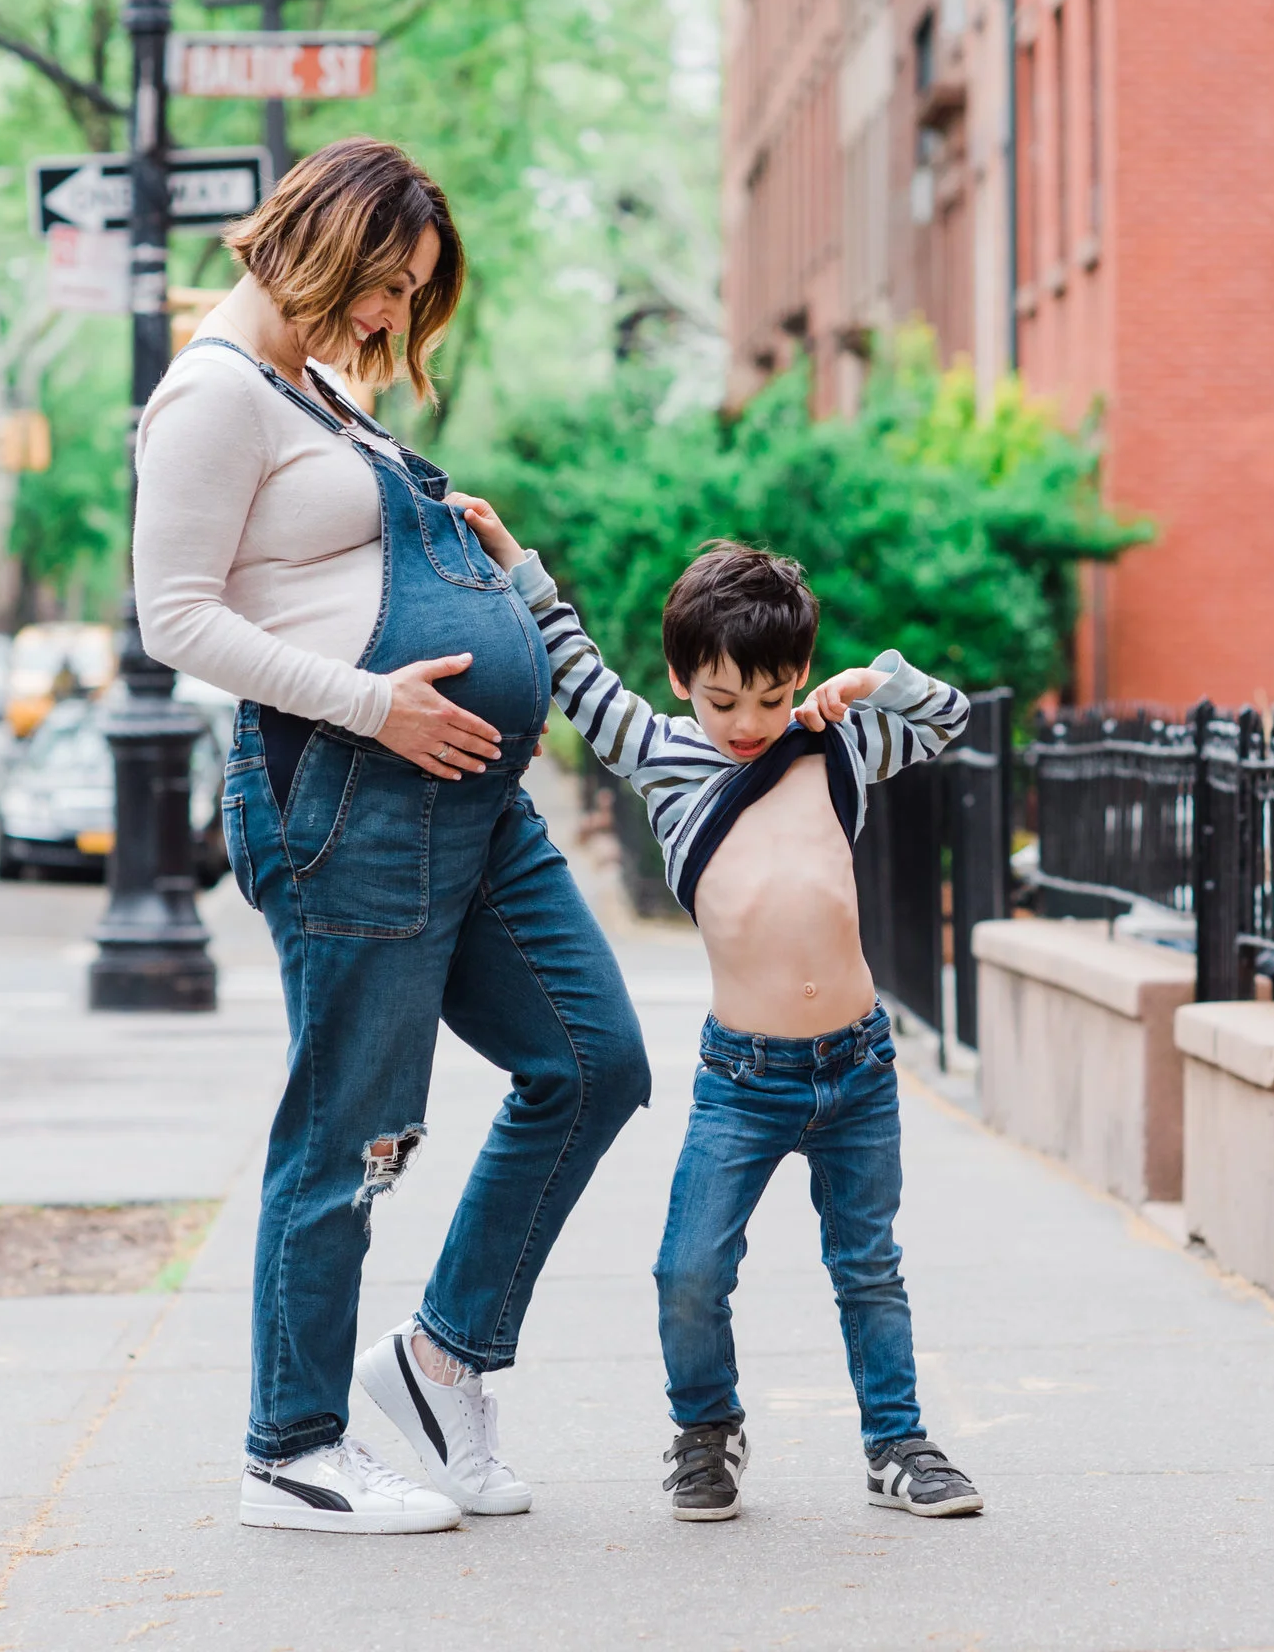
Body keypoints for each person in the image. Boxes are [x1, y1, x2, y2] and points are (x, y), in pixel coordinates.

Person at [133, 137, 651, 1536]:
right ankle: (292, 1450)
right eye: (383, 286)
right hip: (351, 800)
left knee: (594, 1061)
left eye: (410, 296)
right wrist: (374, 705)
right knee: (351, 1129)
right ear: (322, 241)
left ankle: (439, 1362)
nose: (389, 320)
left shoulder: (321, 394)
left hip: (473, 804)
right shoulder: (211, 396)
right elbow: (172, 617)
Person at [449, 501, 988, 1524]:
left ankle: (897, 1440)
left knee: (866, 1262)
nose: (747, 722)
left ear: (799, 677)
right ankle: (706, 1428)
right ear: (683, 681)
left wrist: (880, 681)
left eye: (772, 696)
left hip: (859, 1064)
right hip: (744, 1074)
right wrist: (518, 563)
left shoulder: (838, 743)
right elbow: (574, 669)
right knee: (688, 1266)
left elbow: (950, 722)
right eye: (723, 698)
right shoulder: (663, 754)